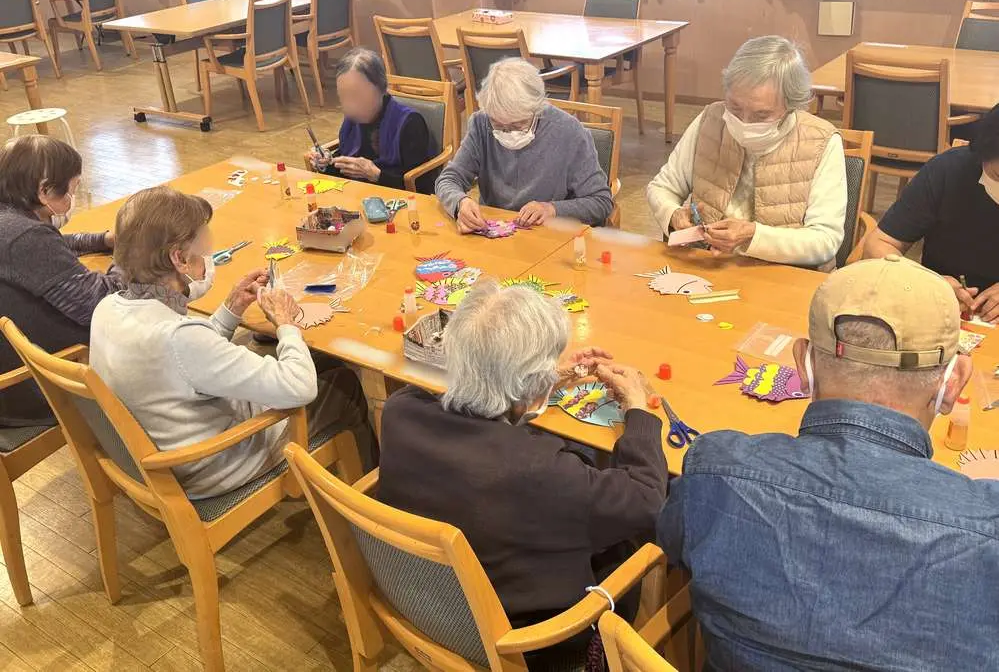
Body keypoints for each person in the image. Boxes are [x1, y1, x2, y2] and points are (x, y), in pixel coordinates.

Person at [657, 256, 999, 671]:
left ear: (803, 364)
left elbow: (674, 546)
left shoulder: (714, 471)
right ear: (954, 381)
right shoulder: (987, 528)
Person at [378, 279, 667, 669]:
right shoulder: (540, 471)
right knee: (637, 540)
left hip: (426, 602)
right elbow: (647, 498)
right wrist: (638, 409)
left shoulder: (399, 410)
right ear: (532, 384)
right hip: (530, 641)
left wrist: (541, 382)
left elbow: (484, 420)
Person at [89, 187, 368, 499]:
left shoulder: (107, 308)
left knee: (317, 362)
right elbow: (300, 387)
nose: (208, 259)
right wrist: (286, 323)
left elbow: (186, 366)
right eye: (202, 250)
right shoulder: (180, 338)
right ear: (179, 259)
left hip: (165, 450)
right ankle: (363, 505)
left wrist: (231, 308)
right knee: (344, 383)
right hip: (211, 466)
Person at [647, 36, 847, 269]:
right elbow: (662, 187)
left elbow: (825, 240)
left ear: (791, 106)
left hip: (785, 276)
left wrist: (753, 236)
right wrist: (673, 214)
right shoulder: (710, 120)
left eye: (761, 115)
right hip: (710, 266)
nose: (744, 122)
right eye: (734, 108)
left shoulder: (821, 141)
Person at [0, 135, 121, 426]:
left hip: (16, 372)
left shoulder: (10, 223)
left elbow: (53, 246)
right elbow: (103, 304)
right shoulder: (26, 237)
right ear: (44, 191)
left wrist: (103, 240)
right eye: (72, 189)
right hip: (41, 387)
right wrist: (133, 255)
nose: (71, 200)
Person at [435, 58, 613, 231]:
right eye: (498, 125)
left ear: (536, 109)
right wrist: (460, 203)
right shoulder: (481, 123)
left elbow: (601, 202)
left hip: (548, 234)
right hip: (494, 230)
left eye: (517, 125)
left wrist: (552, 209)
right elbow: (448, 179)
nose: (508, 133)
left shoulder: (569, 132)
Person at [863, 103, 999, 321]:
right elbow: (877, 245)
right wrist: (923, 282)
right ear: (984, 152)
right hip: (940, 312)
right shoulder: (949, 170)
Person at [312, 47, 436, 193]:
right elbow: (344, 174)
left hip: (398, 201)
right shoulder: (352, 122)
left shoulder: (409, 123)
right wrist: (326, 164)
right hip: (356, 197)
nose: (349, 106)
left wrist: (377, 175)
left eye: (356, 96)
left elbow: (421, 187)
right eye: (343, 97)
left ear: (381, 88)